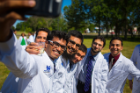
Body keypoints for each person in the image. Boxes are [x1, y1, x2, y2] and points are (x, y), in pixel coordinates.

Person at [0, 28, 50, 93]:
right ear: (35, 39)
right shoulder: (26, 49)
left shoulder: (48, 57)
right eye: (39, 37)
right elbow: (22, 59)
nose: (41, 40)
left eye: (45, 38)